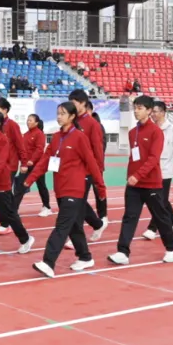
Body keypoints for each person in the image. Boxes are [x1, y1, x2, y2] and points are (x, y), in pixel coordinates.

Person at [23, 102, 105, 277]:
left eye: (63, 113)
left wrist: (101, 187)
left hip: (74, 189)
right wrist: (30, 179)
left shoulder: (80, 137)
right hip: (60, 189)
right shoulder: (56, 137)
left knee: (62, 226)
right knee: (74, 226)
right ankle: (85, 257)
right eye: (58, 113)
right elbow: (45, 161)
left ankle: (48, 262)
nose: (59, 116)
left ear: (72, 116)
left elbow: (92, 163)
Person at [107, 94, 173, 266]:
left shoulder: (156, 132)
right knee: (129, 217)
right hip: (134, 184)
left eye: (140, 108)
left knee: (160, 217)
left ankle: (172, 248)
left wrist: (138, 175)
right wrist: (130, 176)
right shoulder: (132, 133)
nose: (136, 111)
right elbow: (134, 157)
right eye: (135, 108)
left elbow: (153, 158)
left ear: (149, 111)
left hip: (151, 184)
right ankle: (122, 252)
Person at [0, 110, 35, 254]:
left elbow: (0, 164)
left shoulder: (3, 139)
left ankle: (26, 239)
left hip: (1, 184)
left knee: (10, 214)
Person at [143, 100, 173, 240]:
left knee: (160, 200)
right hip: (152, 170)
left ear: (163, 112)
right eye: (151, 111)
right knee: (162, 199)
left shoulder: (172, 130)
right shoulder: (150, 128)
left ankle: (152, 228)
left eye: (155, 111)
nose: (152, 114)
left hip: (165, 170)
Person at [69, 89, 109, 242]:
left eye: (74, 103)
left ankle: (76, 238)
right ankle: (97, 224)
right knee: (77, 202)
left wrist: (98, 171)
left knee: (77, 203)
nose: (71, 105)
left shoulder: (92, 124)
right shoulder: (72, 121)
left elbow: (98, 149)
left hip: (87, 171)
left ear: (83, 103)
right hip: (73, 169)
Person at [0, 98, 29, 233]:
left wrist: (24, 162)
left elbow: (20, 144)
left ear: (5, 110)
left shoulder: (12, 125)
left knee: (4, 195)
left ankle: (6, 223)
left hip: (9, 166)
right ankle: (8, 219)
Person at [16, 114, 51, 217]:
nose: (28, 122)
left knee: (41, 186)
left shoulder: (39, 134)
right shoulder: (25, 134)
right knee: (20, 186)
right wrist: (23, 162)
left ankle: (47, 207)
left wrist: (32, 160)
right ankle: (14, 208)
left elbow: (39, 149)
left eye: (30, 120)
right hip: (26, 165)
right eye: (27, 120)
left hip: (37, 165)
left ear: (36, 123)